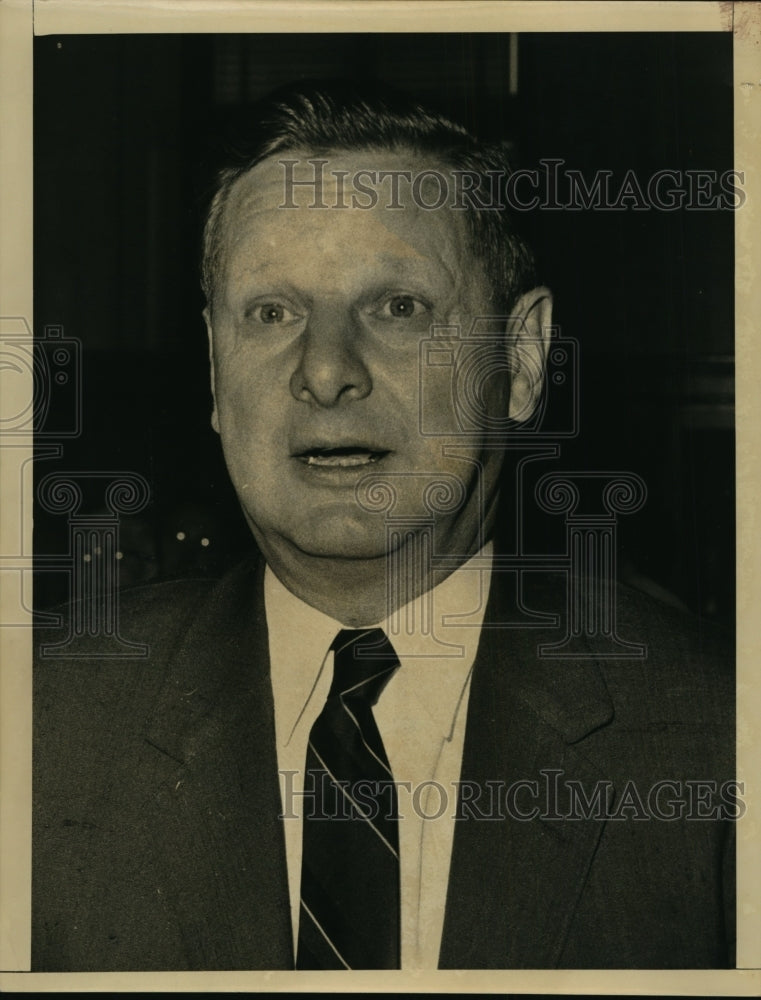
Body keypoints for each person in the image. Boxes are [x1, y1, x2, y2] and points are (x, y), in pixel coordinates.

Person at [32, 83, 735, 971]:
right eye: (271, 312)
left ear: (519, 360)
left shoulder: (715, 743)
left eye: (396, 307)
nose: (325, 372)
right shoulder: (38, 728)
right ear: (215, 368)